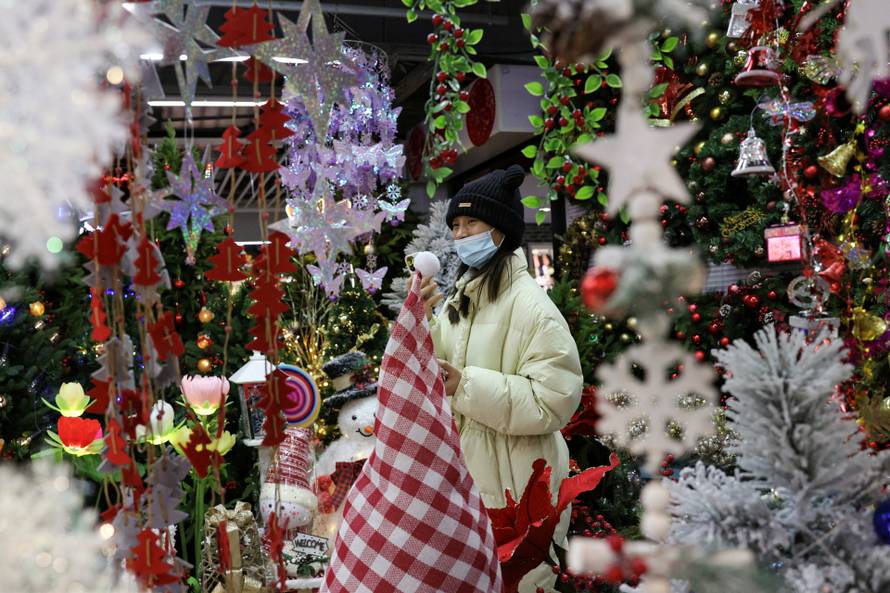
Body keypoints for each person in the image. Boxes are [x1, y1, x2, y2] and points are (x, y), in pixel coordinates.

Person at [421, 165, 583, 593]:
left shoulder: (532, 307)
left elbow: (554, 401)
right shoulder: (464, 297)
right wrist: (419, 321)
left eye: (470, 222)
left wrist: (465, 385)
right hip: (468, 480)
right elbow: (436, 365)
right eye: (455, 225)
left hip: (518, 488)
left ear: (500, 230)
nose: (460, 234)